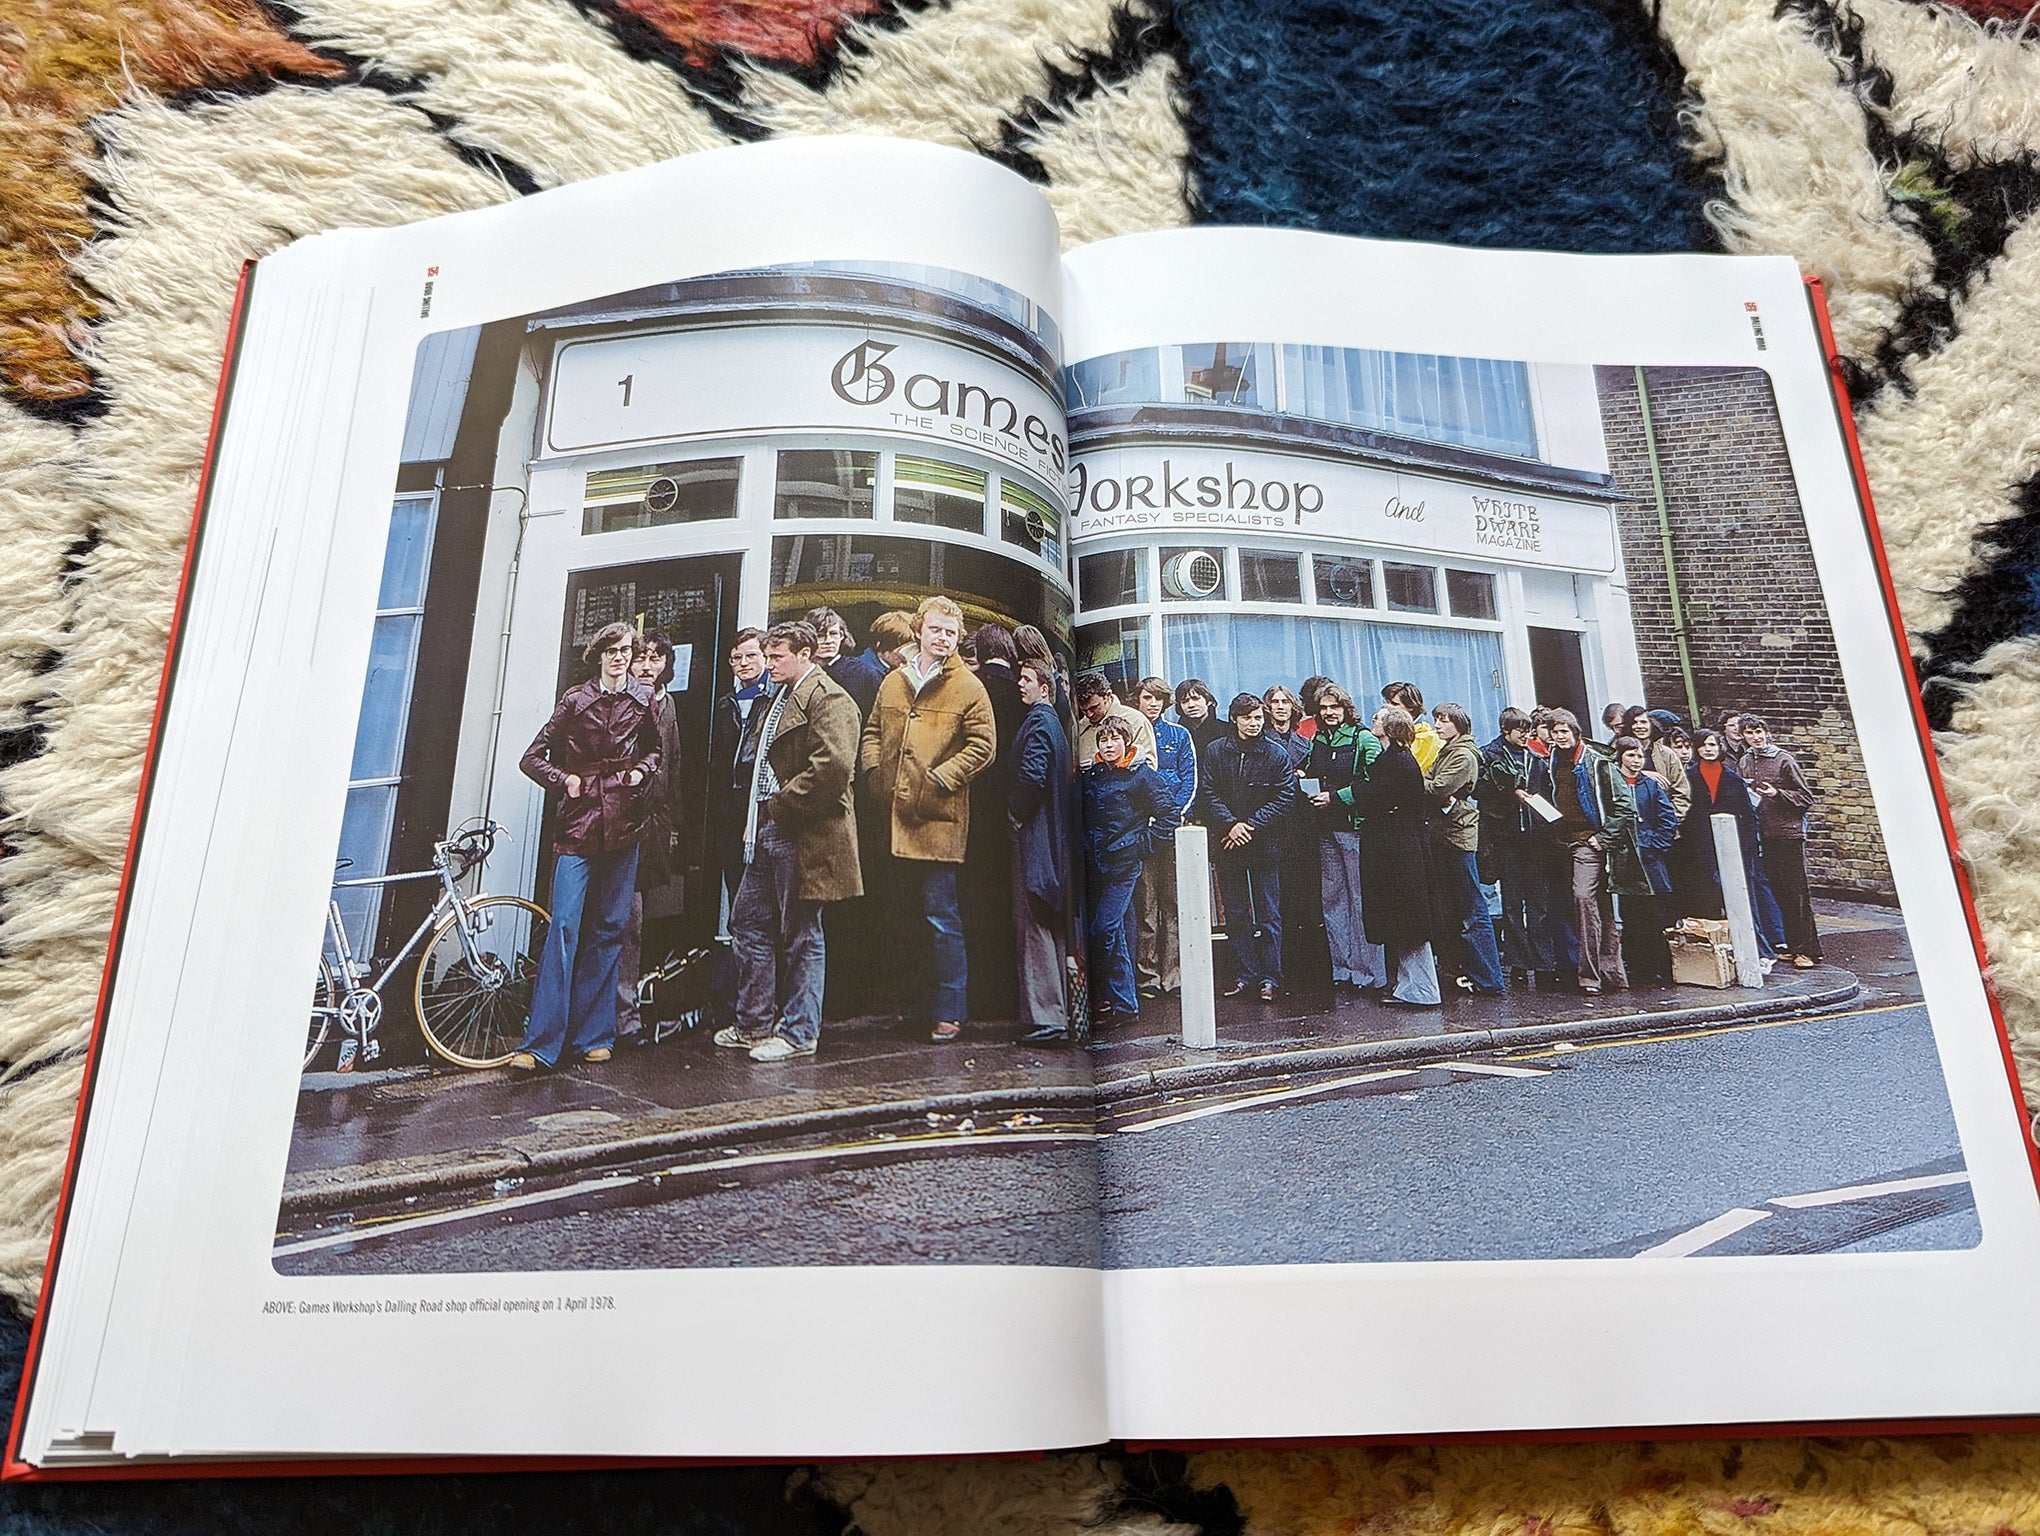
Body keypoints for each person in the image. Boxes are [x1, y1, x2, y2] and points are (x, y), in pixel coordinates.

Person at [509, 622, 661, 1071]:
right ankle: (541, 1043)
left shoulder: (643, 698)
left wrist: (640, 772)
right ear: (598, 655)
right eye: (612, 650)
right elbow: (531, 758)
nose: (619, 657)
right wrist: (566, 780)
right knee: (564, 928)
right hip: (578, 825)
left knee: (611, 927)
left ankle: (595, 1034)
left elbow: (655, 750)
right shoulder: (576, 700)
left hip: (625, 823)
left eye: (626, 650)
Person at [718, 621, 863, 1061]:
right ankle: (754, 1023)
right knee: (747, 922)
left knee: (802, 933)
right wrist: (761, 818)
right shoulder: (781, 695)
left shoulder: (829, 698)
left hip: (802, 831)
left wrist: (778, 806)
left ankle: (800, 1033)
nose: (769, 662)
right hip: (771, 828)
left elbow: (832, 769)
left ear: (806, 653)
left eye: (777, 655)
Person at [860, 596, 997, 1041]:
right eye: (936, 630)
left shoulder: (969, 688)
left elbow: (983, 746)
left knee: (942, 918)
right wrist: (873, 772)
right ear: (919, 630)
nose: (943, 638)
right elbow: (873, 732)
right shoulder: (894, 681)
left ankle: (950, 1011)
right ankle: (914, 1006)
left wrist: (939, 779)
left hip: (938, 819)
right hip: (894, 815)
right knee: (903, 917)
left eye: (951, 633)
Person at [1080, 715, 1182, 1021]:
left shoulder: (1141, 775)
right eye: (1103, 740)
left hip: (1124, 864)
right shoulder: (1093, 776)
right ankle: (1125, 1006)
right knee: (1118, 933)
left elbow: (1169, 815)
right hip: (1098, 864)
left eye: (1114, 740)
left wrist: (1142, 846)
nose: (1109, 746)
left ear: (1127, 742)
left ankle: (1113, 999)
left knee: (1103, 930)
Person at [1202, 693, 1296, 1001]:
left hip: (1263, 843)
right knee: (1237, 914)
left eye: (1258, 718)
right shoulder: (1217, 750)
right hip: (1229, 842)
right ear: (1234, 719)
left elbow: (1285, 797)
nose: (1254, 724)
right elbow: (1209, 791)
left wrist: (1250, 825)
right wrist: (1231, 824)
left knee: (1269, 914)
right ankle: (1245, 974)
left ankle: (1272, 978)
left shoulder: (1275, 753)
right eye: (1247, 718)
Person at [1344, 706, 1440, 1006]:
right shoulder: (1395, 759)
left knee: (1407, 918)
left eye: (1379, 718)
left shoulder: (1396, 762)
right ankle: (1409, 986)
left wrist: (1356, 789)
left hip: (1398, 848)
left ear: (1390, 727)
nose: (1373, 720)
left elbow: (1373, 795)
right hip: (1396, 845)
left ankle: (1422, 990)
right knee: (1404, 919)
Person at [1531, 708, 1631, 994]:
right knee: (1600, 906)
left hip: (1589, 843)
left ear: (1575, 732)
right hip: (1564, 842)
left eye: (1564, 731)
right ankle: (1612, 973)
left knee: (1583, 898)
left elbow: (1624, 805)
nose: (1560, 736)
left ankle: (1589, 977)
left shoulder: (1596, 762)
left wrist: (1604, 838)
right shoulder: (1549, 763)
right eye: (1555, 731)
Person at [616, 632, 683, 1044]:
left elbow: (673, 768)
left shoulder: (667, 704)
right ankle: (622, 1018)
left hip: (650, 829)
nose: (646, 666)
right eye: (639, 658)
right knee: (624, 922)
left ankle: (630, 1013)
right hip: (618, 826)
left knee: (637, 923)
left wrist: (674, 826)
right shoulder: (622, 702)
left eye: (655, 659)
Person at [1303, 684, 1386, 991]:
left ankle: (1370, 974)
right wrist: (1303, 778)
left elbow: (1375, 782)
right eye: (1323, 708)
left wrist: (1336, 798)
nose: (1328, 712)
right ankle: (1342, 968)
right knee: (1333, 899)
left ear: (1346, 708)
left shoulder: (1363, 737)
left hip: (1355, 827)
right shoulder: (1319, 738)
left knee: (1360, 900)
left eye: (1334, 707)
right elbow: (1311, 769)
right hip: (1325, 828)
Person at [1010, 658, 1076, 1041]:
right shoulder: (1055, 724)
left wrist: (1015, 814)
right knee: (1048, 922)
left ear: (1045, 688)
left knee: (1033, 921)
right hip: (1053, 838)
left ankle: (1047, 1018)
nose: (1020, 684)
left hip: (1035, 835)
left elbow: (1031, 777)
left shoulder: (1038, 721)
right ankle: (1056, 1013)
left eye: (1027, 679)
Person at [964, 624, 1025, 1019]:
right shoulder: (1023, 693)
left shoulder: (972, 688)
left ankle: (980, 997)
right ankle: (1010, 993)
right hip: (1014, 810)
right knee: (1010, 903)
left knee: (975, 903)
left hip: (975, 809)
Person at [1426, 703, 1505, 994]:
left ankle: (1490, 979)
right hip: (1444, 835)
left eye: (1444, 721)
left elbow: (1437, 788)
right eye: (1437, 719)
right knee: (1455, 908)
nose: (1438, 725)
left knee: (1473, 909)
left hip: (1458, 838)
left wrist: (1412, 779)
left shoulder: (1462, 754)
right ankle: (1467, 972)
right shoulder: (1448, 750)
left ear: (1459, 725)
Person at [1478, 707, 1555, 984]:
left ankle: (1544, 963)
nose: (1525, 735)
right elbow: (1479, 791)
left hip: (1534, 838)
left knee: (1538, 901)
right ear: (1505, 730)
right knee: (1511, 902)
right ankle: (1519, 963)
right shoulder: (1489, 755)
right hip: (1505, 836)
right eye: (1520, 730)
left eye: (1527, 730)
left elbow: (1547, 795)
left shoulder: (1536, 758)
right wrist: (1509, 794)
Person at [1739, 715, 1822, 966]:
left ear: (1767, 733)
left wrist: (1778, 793)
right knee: (1778, 893)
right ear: (1743, 736)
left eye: (1759, 731)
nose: (1756, 737)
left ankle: (1807, 950)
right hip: (1763, 834)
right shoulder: (1744, 762)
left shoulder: (1783, 760)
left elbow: (1805, 798)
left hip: (1788, 834)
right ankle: (1791, 944)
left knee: (1796, 893)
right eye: (1750, 733)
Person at [1133, 675, 1197, 996]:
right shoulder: (1129, 732)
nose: (1153, 703)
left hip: (1172, 832)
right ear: (1138, 699)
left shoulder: (1179, 734)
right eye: (1148, 697)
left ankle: (1173, 975)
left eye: (1159, 698)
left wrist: (1174, 816)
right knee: (1146, 907)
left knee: (1173, 906)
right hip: (1142, 832)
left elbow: (1190, 780)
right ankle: (1147, 977)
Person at [708, 627, 774, 921]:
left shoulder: (774, 699)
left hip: (761, 801)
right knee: (733, 877)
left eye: (751, 655)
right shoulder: (725, 704)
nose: (744, 663)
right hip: (729, 803)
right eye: (737, 658)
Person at [1263, 683, 1325, 990]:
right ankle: (1281, 968)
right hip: (1275, 825)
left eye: (1285, 702)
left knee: (1306, 895)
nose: (1280, 706)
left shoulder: (1304, 741)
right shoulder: (1262, 741)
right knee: (1279, 897)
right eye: (1274, 702)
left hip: (1303, 824)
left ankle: (1308, 969)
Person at [1614, 736, 1678, 987]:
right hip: (1625, 860)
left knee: (1653, 914)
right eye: (1630, 755)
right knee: (1630, 914)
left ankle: (1657, 967)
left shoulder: (1651, 786)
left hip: (1649, 859)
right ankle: (1634, 965)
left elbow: (1667, 820)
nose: (1636, 760)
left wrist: (1651, 844)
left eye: (1639, 755)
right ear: (1620, 757)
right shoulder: (1612, 782)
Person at [808, 605, 887, 718]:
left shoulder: (864, 672)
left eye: (834, 634)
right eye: (820, 635)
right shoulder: (801, 670)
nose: (828, 641)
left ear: (843, 636)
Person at [1621, 706, 1692, 823]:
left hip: (1662, 824)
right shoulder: (1617, 752)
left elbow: (1681, 791)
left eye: (1643, 722)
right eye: (1634, 723)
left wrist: (1670, 820)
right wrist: (1642, 774)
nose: (1639, 726)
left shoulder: (1666, 754)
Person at [1073, 671, 1157, 768]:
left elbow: (1149, 766)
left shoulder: (1136, 721)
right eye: (1084, 710)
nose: (1089, 714)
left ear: (1108, 695)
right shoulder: (1079, 727)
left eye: (1094, 707)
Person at [1173, 679, 1227, 786]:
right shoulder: (1175, 734)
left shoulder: (1226, 731)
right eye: (1185, 701)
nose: (1191, 705)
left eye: (1196, 699)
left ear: (1208, 701)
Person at [1382, 682, 1440, 772]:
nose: (1388, 708)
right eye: (1387, 703)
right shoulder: (1386, 730)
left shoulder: (1426, 738)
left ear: (1411, 706)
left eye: (1394, 704)